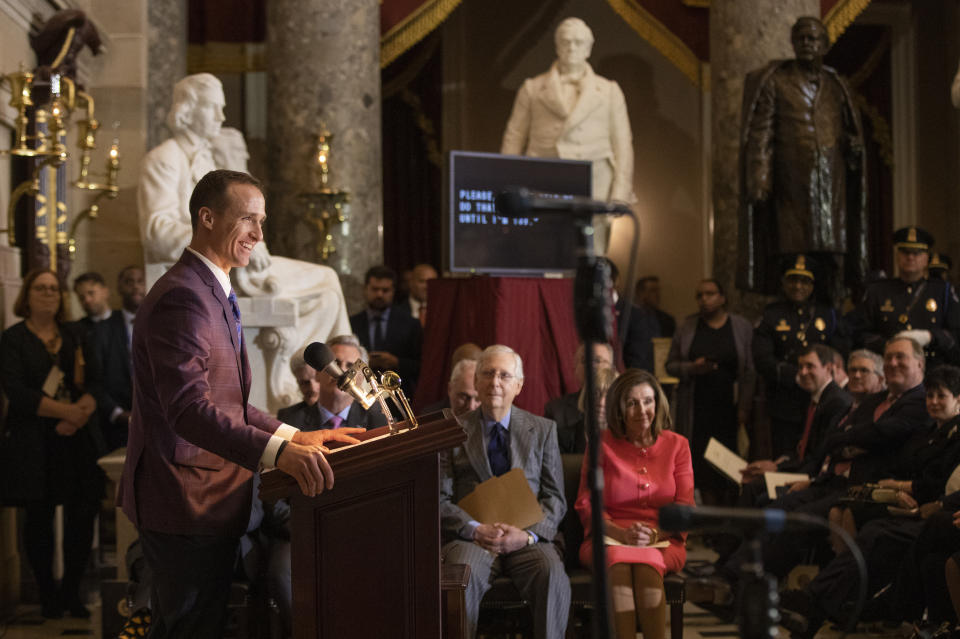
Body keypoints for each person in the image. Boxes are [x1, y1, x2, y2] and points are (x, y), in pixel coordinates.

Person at [118, 169, 364, 638]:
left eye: (262, 221)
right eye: (248, 219)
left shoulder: (214, 288)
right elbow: (189, 410)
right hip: (185, 501)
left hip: (208, 499)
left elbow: (230, 402)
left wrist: (294, 436)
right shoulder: (184, 297)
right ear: (207, 218)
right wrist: (279, 454)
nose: (258, 234)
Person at [138, 74, 351, 403]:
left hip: (233, 267)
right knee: (326, 282)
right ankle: (303, 385)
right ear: (188, 109)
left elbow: (238, 407)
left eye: (260, 222)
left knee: (329, 292)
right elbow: (156, 232)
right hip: (213, 264)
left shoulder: (209, 158)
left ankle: (320, 382)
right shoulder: (164, 159)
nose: (222, 118)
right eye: (213, 108)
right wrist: (223, 236)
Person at [439, 344, 569, 639]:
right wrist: (474, 530)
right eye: (488, 373)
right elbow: (439, 499)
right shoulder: (452, 431)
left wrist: (527, 535)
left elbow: (555, 498)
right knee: (462, 575)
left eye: (504, 375)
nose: (495, 382)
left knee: (551, 574)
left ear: (518, 385)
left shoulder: (543, 429)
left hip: (528, 538)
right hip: (472, 539)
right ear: (476, 381)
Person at [737, 17, 866, 302]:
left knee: (832, 256)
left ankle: (831, 316)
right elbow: (761, 133)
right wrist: (759, 179)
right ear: (793, 44)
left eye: (813, 38)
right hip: (792, 185)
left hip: (832, 185)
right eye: (802, 39)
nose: (807, 44)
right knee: (793, 254)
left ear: (825, 44)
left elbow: (848, 131)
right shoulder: (777, 82)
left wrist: (853, 148)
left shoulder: (837, 85)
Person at [0, 269, 104, 618]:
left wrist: (80, 414)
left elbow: (97, 382)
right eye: (41, 288)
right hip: (34, 441)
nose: (49, 294)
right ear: (26, 296)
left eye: (54, 289)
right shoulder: (13, 339)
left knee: (81, 515)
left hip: (76, 440)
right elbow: (16, 392)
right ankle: (48, 595)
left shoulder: (75, 334)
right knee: (39, 519)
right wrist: (67, 413)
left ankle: (72, 593)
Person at [575, 369, 694, 639]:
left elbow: (685, 507)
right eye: (632, 403)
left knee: (647, 560)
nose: (642, 410)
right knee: (618, 560)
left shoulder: (678, 445)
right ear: (619, 409)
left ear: (658, 403)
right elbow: (586, 503)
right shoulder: (601, 444)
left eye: (648, 401)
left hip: (664, 539)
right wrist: (620, 533)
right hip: (607, 537)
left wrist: (654, 534)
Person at [500, 17, 634, 205]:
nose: (572, 48)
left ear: (588, 49)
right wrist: (511, 188)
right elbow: (514, 138)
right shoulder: (532, 89)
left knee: (592, 233)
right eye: (566, 42)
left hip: (597, 183)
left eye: (578, 43)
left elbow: (623, 145)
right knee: (543, 232)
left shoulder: (609, 91)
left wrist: (620, 192)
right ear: (557, 47)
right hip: (543, 181)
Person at [666, 278, 754, 504]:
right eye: (699, 295)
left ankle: (729, 522)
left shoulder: (741, 326)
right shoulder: (687, 326)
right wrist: (693, 368)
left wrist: (745, 407)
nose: (704, 299)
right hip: (697, 407)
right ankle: (710, 523)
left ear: (723, 297)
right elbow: (670, 365)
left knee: (731, 464)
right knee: (702, 465)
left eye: (710, 294)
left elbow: (749, 371)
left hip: (729, 407)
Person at [753, 255, 847, 457]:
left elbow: (839, 353)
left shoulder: (827, 314)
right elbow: (762, 359)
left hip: (822, 400)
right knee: (785, 454)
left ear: (813, 285)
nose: (798, 286)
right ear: (783, 282)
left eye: (805, 281)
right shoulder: (771, 315)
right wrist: (798, 376)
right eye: (793, 280)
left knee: (818, 453)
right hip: (784, 401)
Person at [847, 226, 960, 370]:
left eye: (917, 253)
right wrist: (889, 345)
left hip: (932, 369)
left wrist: (929, 336)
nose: (910, 257)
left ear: (926, 259)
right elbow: (859, 333)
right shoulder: (878, 291)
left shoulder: (942, 291)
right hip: (888, 368)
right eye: (905, 252)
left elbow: (956, 335)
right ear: (897, 256)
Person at [741, 345, 852, 486]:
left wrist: (778, 470)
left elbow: (818, 456)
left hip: (812, 478)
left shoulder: (836, 402)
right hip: (801, 469)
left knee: (755, 486)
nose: (803, 372)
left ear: (829, 368)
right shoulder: (814, 399)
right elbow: (802, 447)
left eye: (810, 366)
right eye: (800, 367)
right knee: (752, 480)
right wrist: (779, 463)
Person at [279, 334, 388, 430]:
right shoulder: (290, 422)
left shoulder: (378, 419)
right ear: (317, 373)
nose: (342, 371)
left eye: (351, 366)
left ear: (361, 379)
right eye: (335, 363)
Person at [88, 265, 144, 450]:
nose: (135, 287)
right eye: (129, 282)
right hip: (117, 425)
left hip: (158, 420)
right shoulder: (103, 330)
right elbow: (94, 380)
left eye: (140, 281)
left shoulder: (162, 325)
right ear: (119, 288)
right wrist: (118, 413)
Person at [349, 265, 423, 397]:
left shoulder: (410, 324)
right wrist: (365, 361)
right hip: (361, 394)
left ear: (393, 291)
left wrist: (396, 362)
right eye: (375, 289)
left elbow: (420, 365)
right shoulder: (352, 323)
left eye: (385, 290)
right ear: (365, 289)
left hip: (399, 394)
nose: (379, 294)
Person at [544, 341, 615, 454]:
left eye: (597, 360)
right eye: (585, 360)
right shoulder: (555, 410)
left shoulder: (627, 408)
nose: (591, 365)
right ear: (575, 369)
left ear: (612, 369)